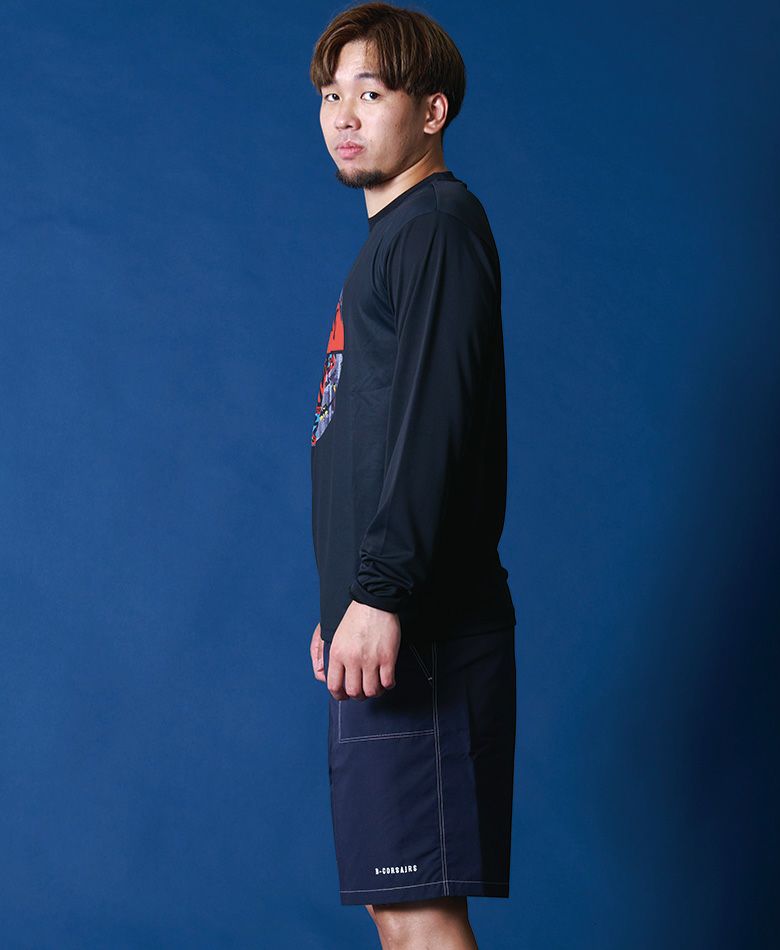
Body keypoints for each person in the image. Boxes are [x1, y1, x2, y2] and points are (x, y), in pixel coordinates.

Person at [307, 4, 518, 946]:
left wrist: (383, 592)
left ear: (432, 111)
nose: (345, 115)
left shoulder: (436, 225)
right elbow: (369, 437)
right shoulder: (395, 239)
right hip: (388, 619)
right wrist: (345, 603)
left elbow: (438, 423)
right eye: (331, 95)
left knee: (420, 916)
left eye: (372, 91)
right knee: (399, 913)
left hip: (425, 626)